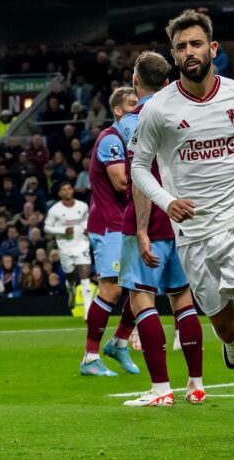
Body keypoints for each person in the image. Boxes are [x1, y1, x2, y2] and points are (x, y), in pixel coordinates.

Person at [131, 10, 234, 445]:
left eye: (196, 44)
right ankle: (231, 345)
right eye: (180, 47)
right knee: (226, 325)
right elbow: (139, 167)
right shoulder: (158, 110)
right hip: (194, 233)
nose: (189, 52)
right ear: (173, 56)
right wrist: (166, 201)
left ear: (213, 49)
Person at [117, 51, 204, 407]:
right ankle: (196, 385)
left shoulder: (129, 121)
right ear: (167, 82)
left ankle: (160, 389)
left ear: (135, 82)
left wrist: (141, 229)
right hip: (182, 218)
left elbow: (139, 178)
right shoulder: (185, 113)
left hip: (150, 216)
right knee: (182, 299)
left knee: (142, 300)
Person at [82, 86, 140, 377]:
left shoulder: (135, 142)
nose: (138, 108)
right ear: (118, 111)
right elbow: (120, 183)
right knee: (112, 288)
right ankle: (90, 357)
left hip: (130, 222)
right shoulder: (111, 139)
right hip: (109, 224)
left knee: (142, 285)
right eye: (132, 104)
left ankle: (119, 342)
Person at [44, 181, 92, 309]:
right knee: (70, 276)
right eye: (64, 190)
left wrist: (88, 228)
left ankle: (88, 312)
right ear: (60, 193)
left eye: (69, 188)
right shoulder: (55, 210)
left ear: (73, 190)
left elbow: (87, 219)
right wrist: (62, 230)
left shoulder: (82, 206)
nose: (67, 191)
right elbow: (47, 227)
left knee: (84, 276)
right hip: (65, 247)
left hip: (82, 244)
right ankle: (71, 289)